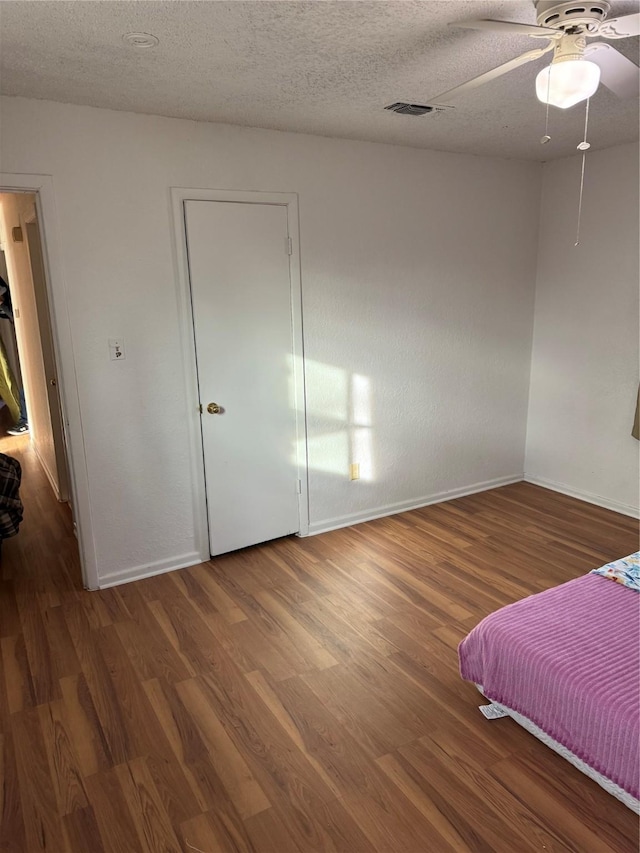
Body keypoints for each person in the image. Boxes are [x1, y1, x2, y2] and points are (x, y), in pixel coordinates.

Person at [0, 276, 29, 435]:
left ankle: (25, 418)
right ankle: (25, 418)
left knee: (25, 375)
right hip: (18, 322)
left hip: (25, 324)